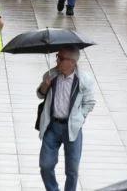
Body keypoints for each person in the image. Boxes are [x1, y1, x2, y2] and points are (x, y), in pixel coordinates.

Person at [36, 46, 97, 191]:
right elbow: (40, 94)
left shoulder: (84, 80)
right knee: (45, 165)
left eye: (61, 58)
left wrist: (80, 118)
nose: (57, 60)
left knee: (72, 170)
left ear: (72, 62)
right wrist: (45, 86)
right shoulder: (51, 75)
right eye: (57, 56)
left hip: (72, 129)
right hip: (52, 126)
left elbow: (89, 103)